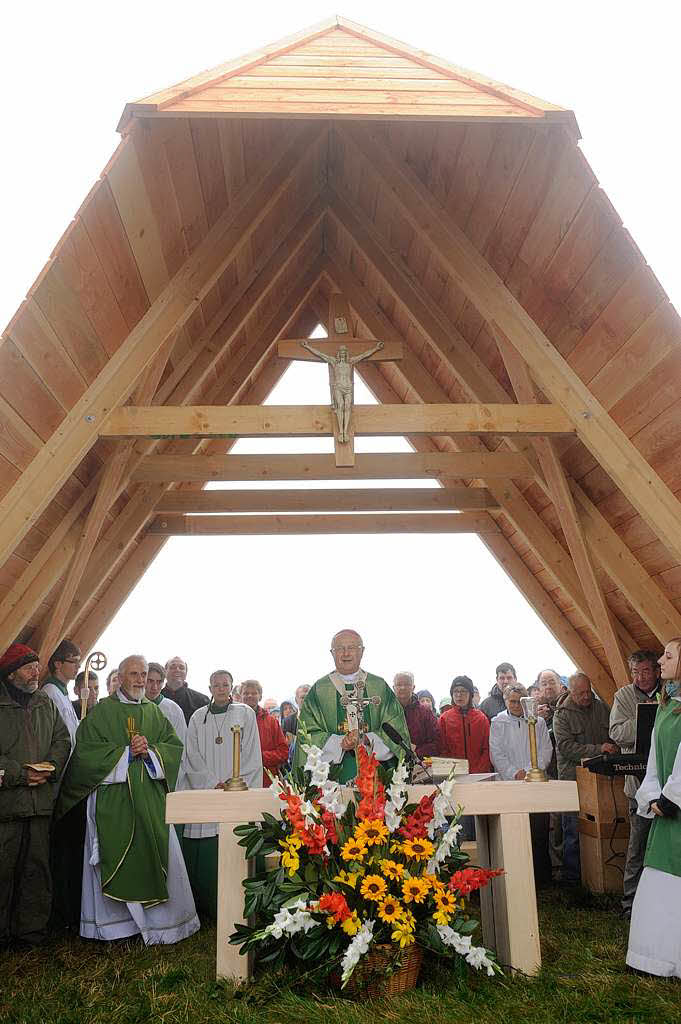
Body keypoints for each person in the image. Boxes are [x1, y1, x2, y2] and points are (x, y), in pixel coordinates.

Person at [56, 655, 199, 945]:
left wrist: (152, 752)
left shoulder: (154, 712)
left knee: (157, 854)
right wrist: (125, 754)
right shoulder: (101, 713)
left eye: (143, 674)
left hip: (150, 800)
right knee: (113, 857)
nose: (139, 680)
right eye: (133, 674)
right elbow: (85, 756)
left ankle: (162, 927)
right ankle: (117, 928)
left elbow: (173, 748)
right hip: (113, 799)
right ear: (120, 677)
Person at [0, 643, 70, 948]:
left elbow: (62, 739)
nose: (36, 673)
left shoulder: (45, 702)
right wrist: (20, 774)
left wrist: (51, 767)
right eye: (30, 667)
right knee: (3, 871)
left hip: (40, 804)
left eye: (38, 667)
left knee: (37, 871)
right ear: (12, 673)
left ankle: (31, 934)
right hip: (7, 807)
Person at [181, 670, 262, 918]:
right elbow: (191, 754)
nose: (221, 689)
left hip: (236, 788)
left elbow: (251, 752)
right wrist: (211, 782)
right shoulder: (197, 717)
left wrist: (235, 781)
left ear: (231, 687)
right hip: (209, 789)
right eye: (216, 685)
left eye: (225, 684)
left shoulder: (245, 713)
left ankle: (240, 905)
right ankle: (206, 907)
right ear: (210, 687)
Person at [626, 638, 681, 977]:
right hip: (666, 810)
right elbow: (654, 760)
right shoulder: (666, 704)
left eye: (669, 655)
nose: (661, 659)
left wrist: (672, 797)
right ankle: (655, 958)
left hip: (675, 804)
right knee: (660, 883)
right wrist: (650, 797)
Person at [292, 629, 409, 782]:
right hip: (331, 780)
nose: (346, 653)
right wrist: (339, 743)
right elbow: (306, 734)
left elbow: (397, 730)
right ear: (332, 653)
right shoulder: (319, 690)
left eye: (352, 648)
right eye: (340, 648)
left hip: (376, 777)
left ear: (362, 651)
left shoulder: (379, 687)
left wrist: (367, 738)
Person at [609, 650, 661, 917]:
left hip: (668, 784)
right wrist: (649, 721)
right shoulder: (623, 696)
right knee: (637, 845)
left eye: (645, 671)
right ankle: (630, 904)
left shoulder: (671, 693)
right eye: (636, 672)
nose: (640, 678)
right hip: (638, 784)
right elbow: (616, 732)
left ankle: (662, 903)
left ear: (657, 671)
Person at [553, 672, 616, 884]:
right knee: (572, 831)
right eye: (580, 693)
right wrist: (599, 749)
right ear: (571, 692)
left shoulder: (601, 708)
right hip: (573, 781)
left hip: (600, 781)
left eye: (588, 691)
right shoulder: (562, 714)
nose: (586, 696)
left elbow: (612, 735)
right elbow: (566, 747)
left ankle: (598, 875)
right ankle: (572, 880)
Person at [489, 682, 553, 884]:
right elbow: (496, 753)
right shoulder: (498, 722)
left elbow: (545, 750)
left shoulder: (538, 722)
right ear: (506, 701)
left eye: (519, 701)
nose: (516, 705)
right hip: (509, 783)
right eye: (512, 701)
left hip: (534, 783)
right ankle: (514, 878)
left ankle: (541, 878)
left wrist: (530, 770)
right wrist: (513, 773)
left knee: (538, 831)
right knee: (512, 833)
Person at [535, 668, 565, 879]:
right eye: (544, 683)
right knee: (552, 823)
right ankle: (555, 868)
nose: (548, 686)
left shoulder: (567, 705)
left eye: (551, 682)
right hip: (547, 772)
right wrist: (540, 720)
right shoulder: (534, 712)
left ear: (560, 684)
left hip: (567, 771)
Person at [241, 680, 289, 787]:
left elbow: (284, 753)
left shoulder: (271, 722)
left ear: (260, 696)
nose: (249, 696)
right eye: (245, 693)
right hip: (239, 781)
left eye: (254, 693)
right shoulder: (232, 721)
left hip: (266, 782)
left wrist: (259, 757)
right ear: (240, 696)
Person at [439, 677, 492, 773]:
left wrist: (479, 770)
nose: (459, 695)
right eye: (455, 691)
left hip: (479, 774)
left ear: (470, 694)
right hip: (453, 774)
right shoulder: (444, 719)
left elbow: (487, 748)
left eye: (463, 691)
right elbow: (442, 749)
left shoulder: (481, 718)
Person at [42, 639, 81, 748]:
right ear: (58, 664)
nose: (79, 666)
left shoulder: (61, 690)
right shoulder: (50, 692)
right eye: (74, 661)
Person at [393, 672, 439, 758]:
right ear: (393, 688)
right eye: (399, 685)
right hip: (390, 764)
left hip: (419, 764)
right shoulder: (385, 712)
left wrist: (417, 751)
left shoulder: (425, 712)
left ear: (413, 687)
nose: (402, 688)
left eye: (407, 684)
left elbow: (436, 743)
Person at [145, 662, 187, 743]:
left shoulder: (174, 710)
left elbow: (181, 743)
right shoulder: (132, 705)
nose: (155, 687)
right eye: (150, 681)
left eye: (159, 682)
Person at [161, 656, 209, 725]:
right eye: (173, 667)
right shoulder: (155, 699)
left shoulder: (202, 700)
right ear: (165, 672)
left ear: (186, 674)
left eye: (181, 668)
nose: (177, 670)